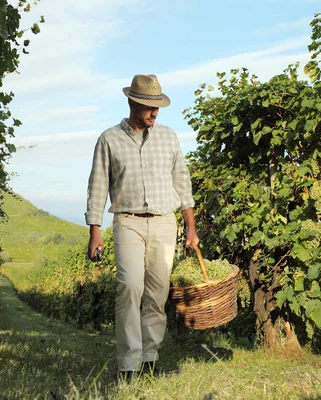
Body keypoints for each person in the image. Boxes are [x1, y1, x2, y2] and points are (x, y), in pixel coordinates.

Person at [85, 74, 199, 380]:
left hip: (164, 222)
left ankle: (149, 358)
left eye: (157, 106)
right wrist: (94, 231)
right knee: (130, 287)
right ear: (132, 102)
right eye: (149, 106)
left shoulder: (169, 137)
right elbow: (98, 187)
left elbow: (182, 182)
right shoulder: (109, 139)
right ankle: (128, 364)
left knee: (157, 295)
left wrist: (191, 226)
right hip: (127, 222)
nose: (154, 112)